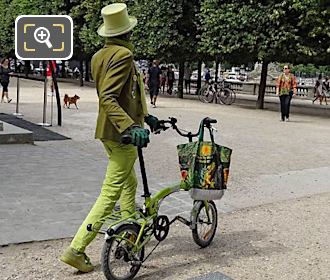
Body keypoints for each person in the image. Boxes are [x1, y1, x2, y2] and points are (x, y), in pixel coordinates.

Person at [59, 3, 161, 273]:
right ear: (127, 31)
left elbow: (129, 94)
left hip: (107, 131)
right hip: (123, 135)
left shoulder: (99, 55)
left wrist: (146, 116)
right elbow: (109, 96)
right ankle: (77, 248)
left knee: (129, 183)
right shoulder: (124, 55)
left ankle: (129, 233)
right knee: (110, 191)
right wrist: (131, 126)